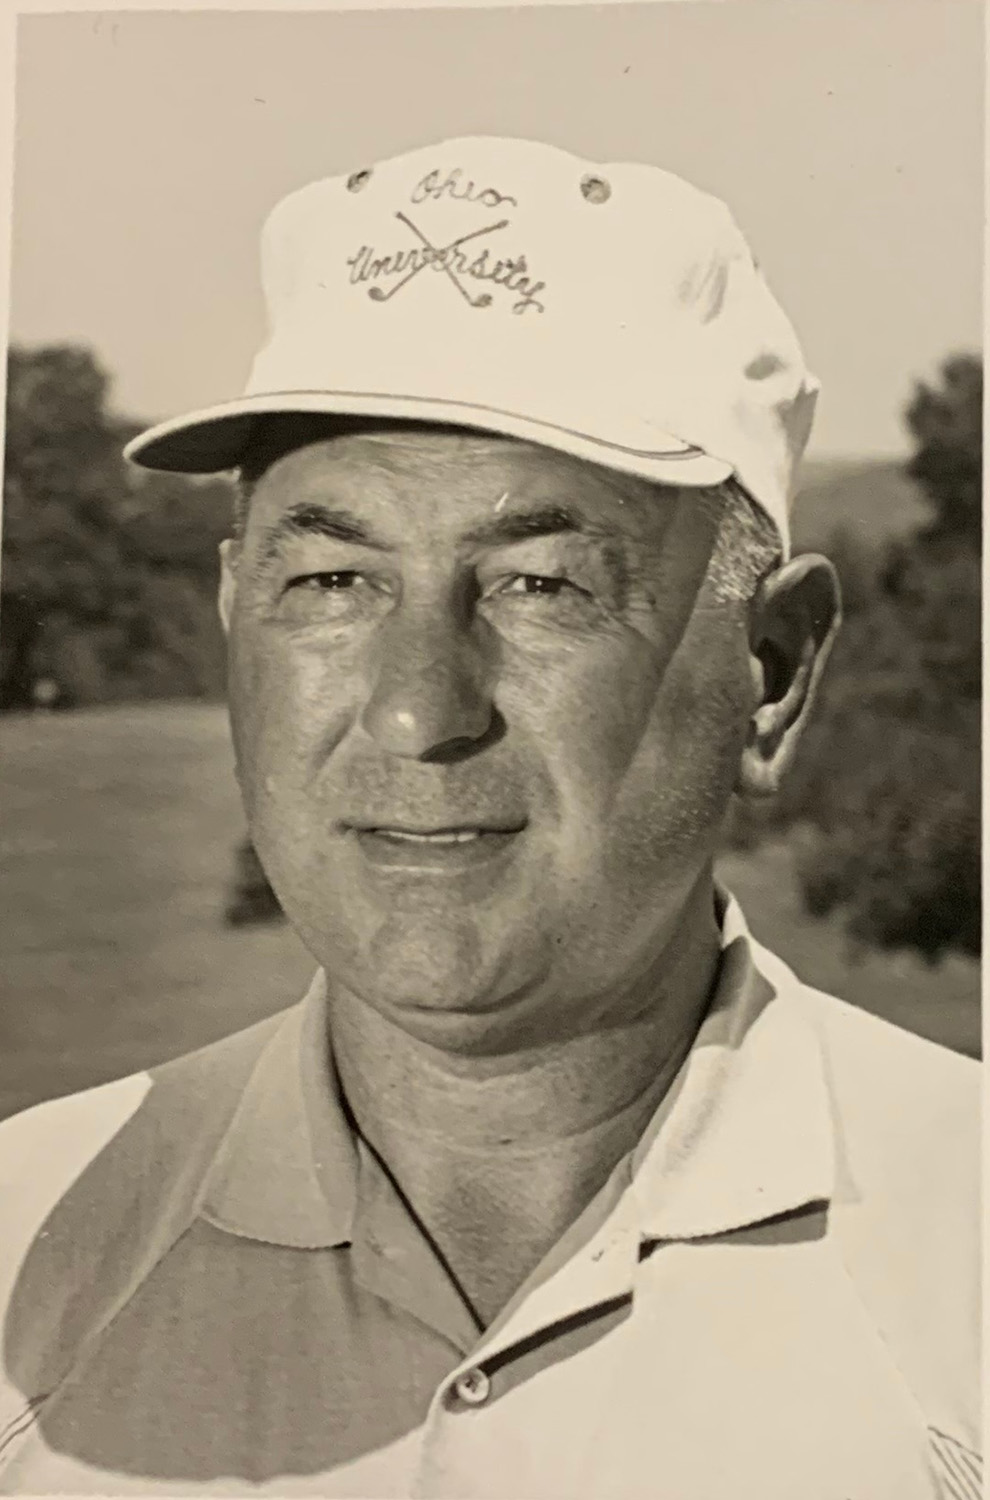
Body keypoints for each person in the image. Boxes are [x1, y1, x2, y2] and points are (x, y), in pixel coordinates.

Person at [0, 137, 979, 1499]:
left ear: (770, 671)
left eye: (540, 585)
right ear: (236, 624)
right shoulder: (22, 1250)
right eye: (333, 581)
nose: (416, 711)